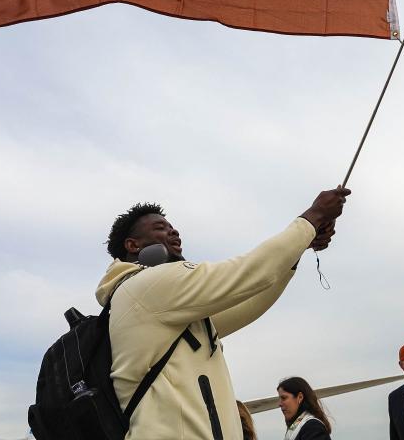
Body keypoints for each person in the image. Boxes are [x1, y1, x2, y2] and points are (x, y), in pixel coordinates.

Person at [96, 186, 350, 439]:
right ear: (133, 244)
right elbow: (247, 272)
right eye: (160, 227)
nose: (173, 230)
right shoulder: (145, 285)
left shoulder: (160, 303)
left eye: (172, 226)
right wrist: (313, 217)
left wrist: (296, 250)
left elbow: (249, 301)